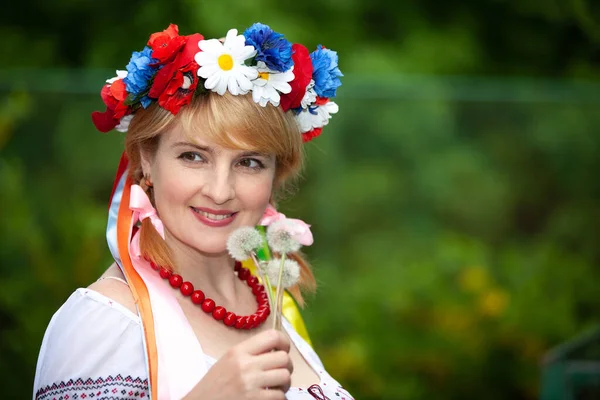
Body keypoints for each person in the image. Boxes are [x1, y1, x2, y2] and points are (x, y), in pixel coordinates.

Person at [32, 22, 351, 400]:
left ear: (274, 176)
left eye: (249, 163)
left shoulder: (274, 300)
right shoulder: (105, 322)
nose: (219, 191)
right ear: (147, 160)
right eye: (193, 156)